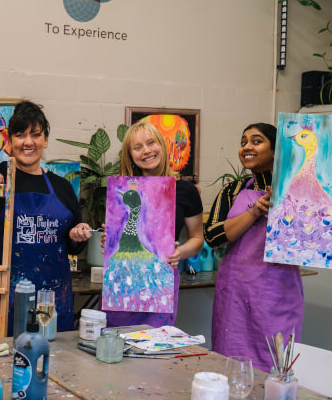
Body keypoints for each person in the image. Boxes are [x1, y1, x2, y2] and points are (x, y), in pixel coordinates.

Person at [0, 101, 91, 338]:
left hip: (50, 307)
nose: (28, 142)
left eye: (36, 135)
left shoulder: (62, 187)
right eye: (20, 135)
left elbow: (73, 243)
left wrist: (78, 235)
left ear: (45, 140)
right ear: (9, 141)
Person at [204, 123, 295, 371]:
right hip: (235, 291)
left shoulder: (295, 191)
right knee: (230, 360)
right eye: (244, 141)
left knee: (273, 363)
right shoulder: (232, 190)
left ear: (276, 151)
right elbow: (212, 236)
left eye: (256, 141)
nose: (247, 147)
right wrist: (254, 212)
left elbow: (325, 235)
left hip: (278, 292)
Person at [102, 121, 204, 328]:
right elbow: (117, 234)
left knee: (154, 341)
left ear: (161, 145)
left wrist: (180, 253)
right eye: (137, 147)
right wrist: (109, 239)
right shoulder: (119, 190)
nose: (146, 151)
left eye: (151, 143)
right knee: (115, 339)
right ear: (130, 155)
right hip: (123, 277)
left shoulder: (185, 190)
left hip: (161, 278)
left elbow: (198, 238)